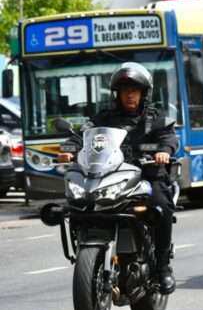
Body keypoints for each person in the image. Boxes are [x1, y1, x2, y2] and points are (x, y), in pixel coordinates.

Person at [58, 62, 179, 294]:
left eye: (134, 90)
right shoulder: (104, 117)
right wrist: (69, 148)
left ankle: (163, 267)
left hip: (147, 174)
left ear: (144, 93)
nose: (130, 95)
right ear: (118, 94)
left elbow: (169, 137)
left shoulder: (155, 118)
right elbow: (83, 135)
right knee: (77, 205)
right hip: (111, 175)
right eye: (125, 90)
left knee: (161, 207)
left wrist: (164, 151)